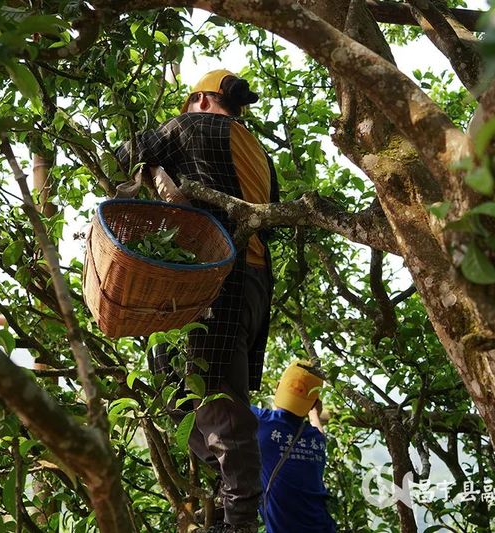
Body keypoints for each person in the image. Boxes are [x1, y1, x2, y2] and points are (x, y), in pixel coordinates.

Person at [117, 69, 279, 532]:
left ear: (202, 101)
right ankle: (235, 504)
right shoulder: (259, 152)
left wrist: (150, 170)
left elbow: (124, 154)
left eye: (187, 103)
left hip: (216, 281)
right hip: (252, 286)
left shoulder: (192, 125)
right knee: (180, 388)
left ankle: (240, 523)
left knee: (221, 410)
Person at [250, 360, 337, 533]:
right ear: (314, 404)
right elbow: (318, 429)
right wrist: (314, 415)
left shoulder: (260, 422)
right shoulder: (316, 440)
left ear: (278, 388)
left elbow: (225, 402)